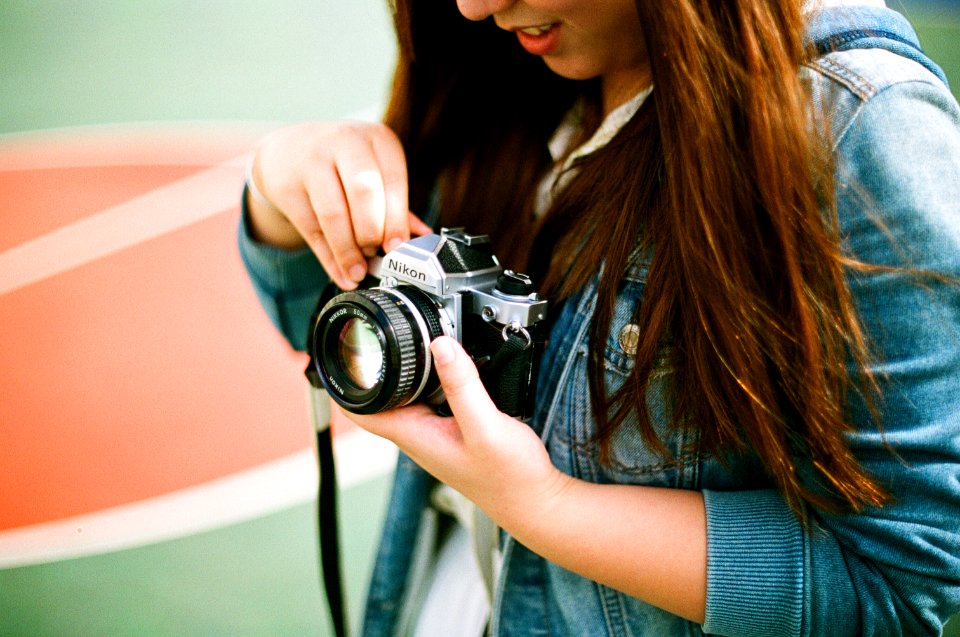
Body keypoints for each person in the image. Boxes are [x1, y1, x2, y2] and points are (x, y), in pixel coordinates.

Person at [238, 0, 960, 634]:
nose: (472, 7)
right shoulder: (507, 67)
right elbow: (335, 329)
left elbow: (893, 578)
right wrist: (279, 181)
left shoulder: (858, 125)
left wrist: (547, 507)